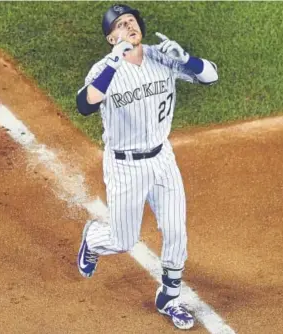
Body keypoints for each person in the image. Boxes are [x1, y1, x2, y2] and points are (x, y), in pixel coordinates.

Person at [75, 4, 218, 330]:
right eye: (121, 25)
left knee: (176, 229)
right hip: (125, 166)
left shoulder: (161, 57)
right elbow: (85, 104)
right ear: (112, 37)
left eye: (132, 21)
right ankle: (94, 239)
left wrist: (186, 60)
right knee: (123, 240)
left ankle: (170, 297)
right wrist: (114, 60)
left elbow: (211, 76)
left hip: (162, 158)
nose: (129, 26)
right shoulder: (104, 68)